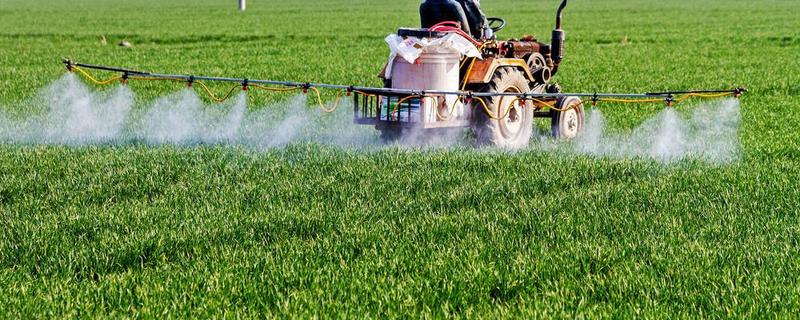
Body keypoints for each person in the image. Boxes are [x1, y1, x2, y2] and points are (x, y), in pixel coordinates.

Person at [420, 0, 490, 40]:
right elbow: (480, 25)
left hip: (434, 42)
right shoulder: (468, 2)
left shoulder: (425, 3)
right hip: (463, 44)